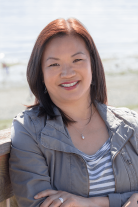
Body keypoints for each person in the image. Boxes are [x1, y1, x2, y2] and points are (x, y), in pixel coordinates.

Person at [9, 18, 138, 207]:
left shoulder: (130, 125)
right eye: (54, 64)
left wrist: (93, 203)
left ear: (92, 65)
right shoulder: (28, 131)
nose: (67, 73)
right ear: (40, 73)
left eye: (77, 60)